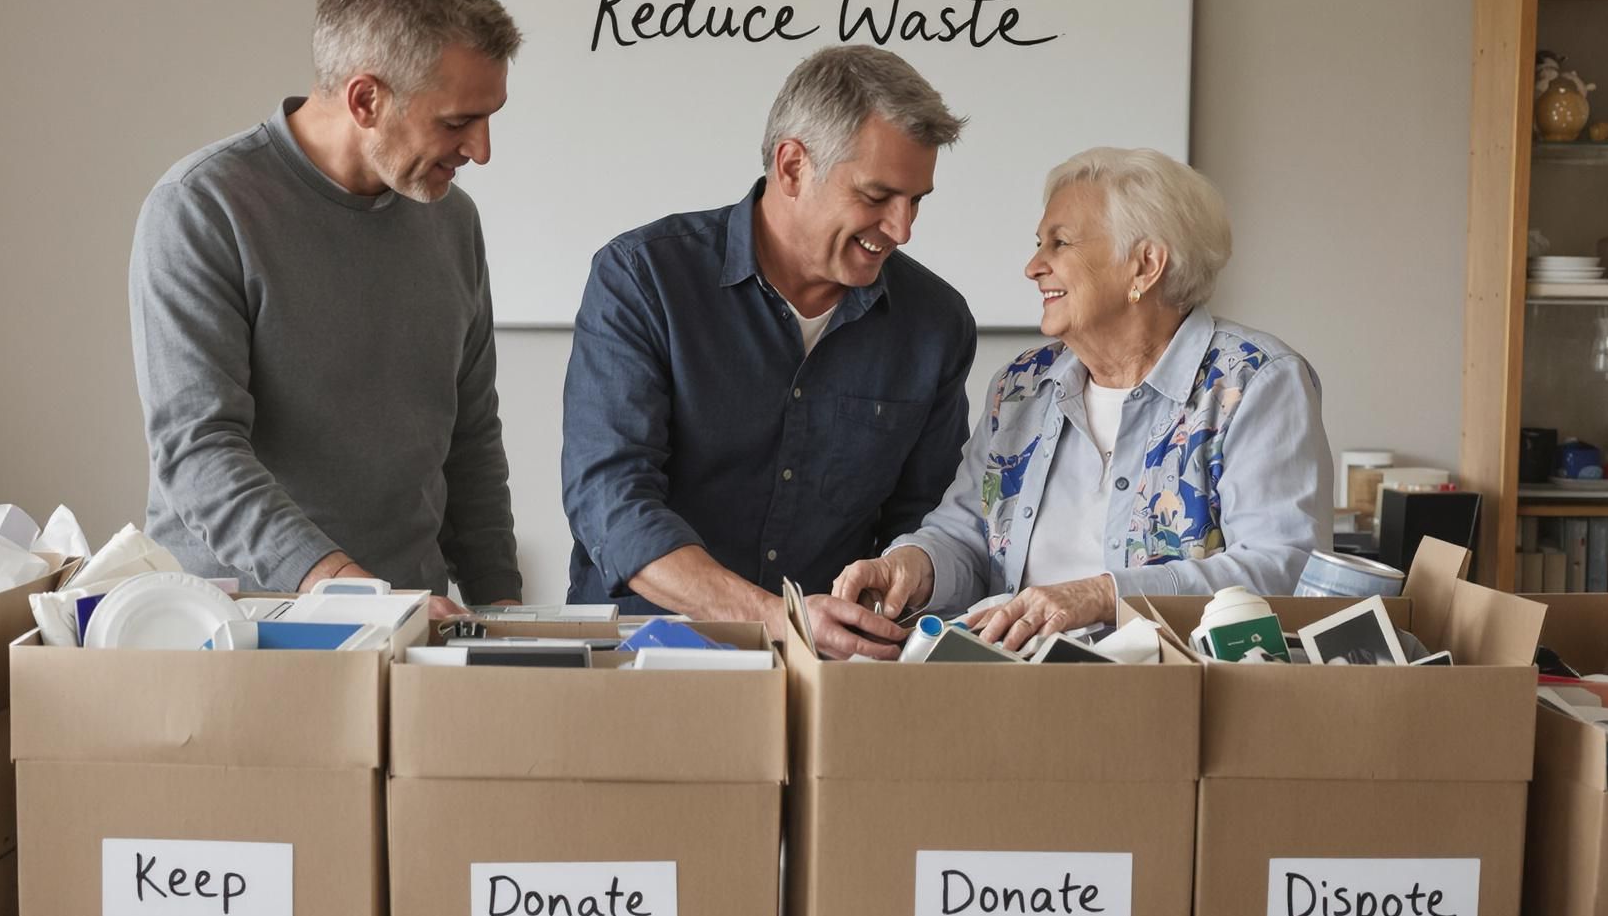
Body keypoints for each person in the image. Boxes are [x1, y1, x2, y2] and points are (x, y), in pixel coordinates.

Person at [131, 0, 524, 615]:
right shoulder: (203, 208)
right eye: (458, 122)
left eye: (490, 118)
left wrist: (505, 615)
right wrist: (350, 592)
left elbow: (471, 444)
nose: (482, 150)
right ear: (366, 98)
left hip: (410, 626)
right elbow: (198, 451)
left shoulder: (452, 221)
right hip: (243, 630)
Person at [561, 46, 977, 657]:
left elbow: (926, 524)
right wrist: (777, 618)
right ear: (791, 167)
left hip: (837, 676)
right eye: (877, 195)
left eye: (916, 201)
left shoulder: (935, 323)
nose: (902, 228)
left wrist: (902, 587)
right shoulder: (644, 278)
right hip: (645, 662)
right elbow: (611, 504)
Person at [834, 147, 1333, 650]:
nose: (1033, 266)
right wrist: (910, 565)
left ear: (1145, 265)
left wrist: (1101, 596)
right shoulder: (1020, 387)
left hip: (1171, 697)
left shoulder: (1254, 383)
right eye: (1038, 243)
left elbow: (1285, 568)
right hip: (1012, 688)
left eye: (1060, 243)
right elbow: (966, 535)